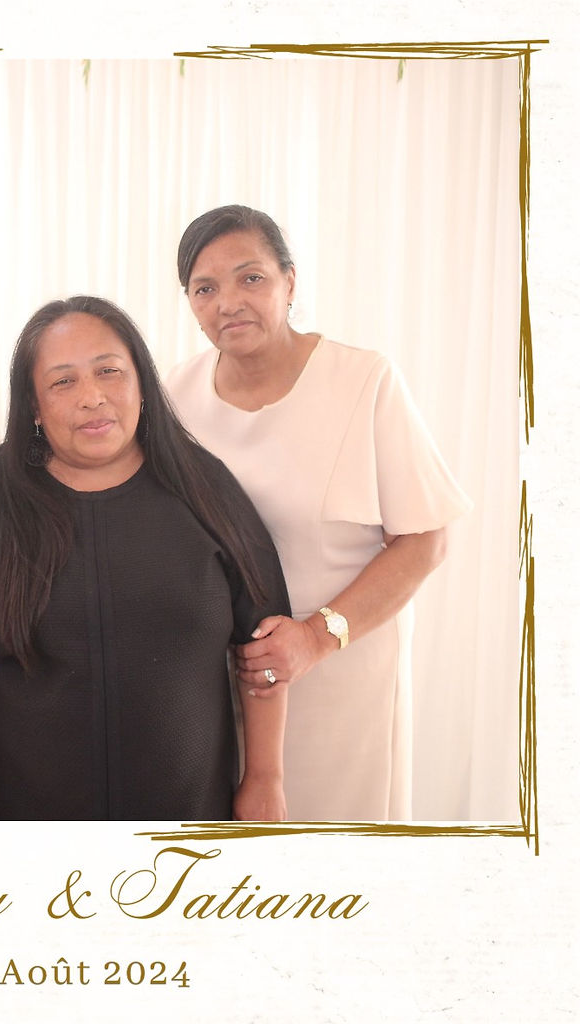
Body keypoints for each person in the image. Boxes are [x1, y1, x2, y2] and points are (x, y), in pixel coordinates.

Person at [0, 295, 291, 822]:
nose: (92, 397)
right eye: (63, 381)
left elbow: (264, 645)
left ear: (142, 384)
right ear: (33, 405)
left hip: (183, 820)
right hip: (19, 821)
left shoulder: (204, 487)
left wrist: (265, 778)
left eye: (109, 371)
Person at [166, 205, 472, 822]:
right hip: (221, 676)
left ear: (290, 282)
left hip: (339, 670)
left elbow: (425, 540)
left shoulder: (364, 380)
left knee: (332, 850)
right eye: (205, 288)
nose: (228, 302)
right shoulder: (177, 394)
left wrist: (314, 639)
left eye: (251, 278)